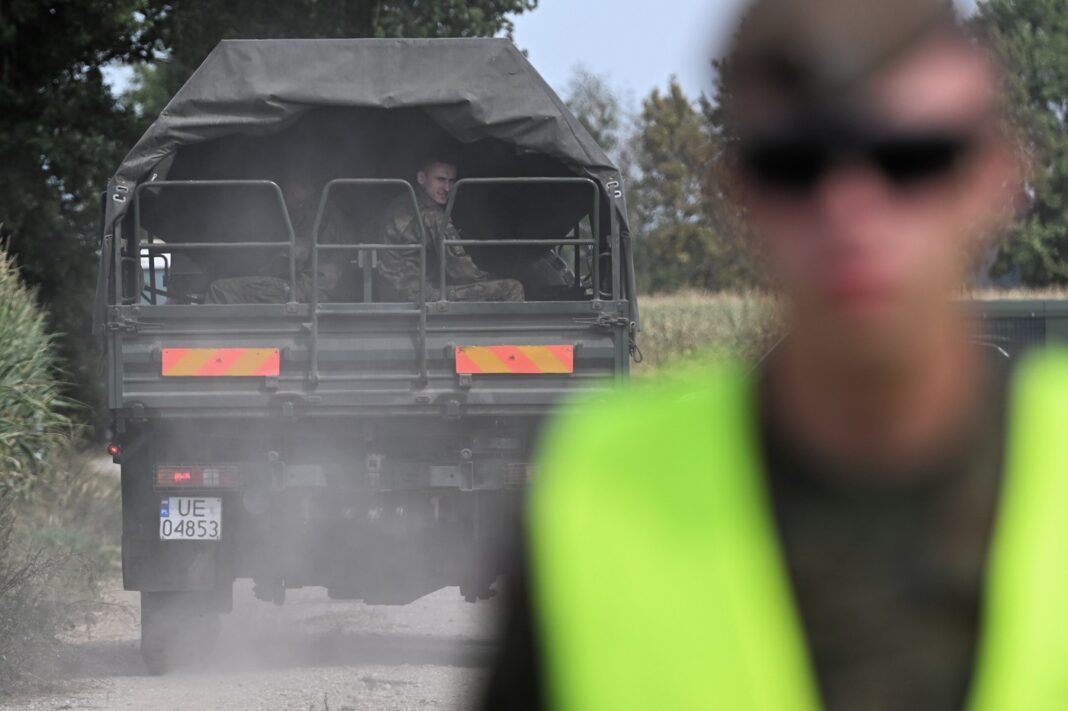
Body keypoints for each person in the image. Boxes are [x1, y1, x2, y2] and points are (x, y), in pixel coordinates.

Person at [482, 1, 1066, 710]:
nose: (850, 212)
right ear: (739, 195)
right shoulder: (601, 494)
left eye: (910, 161)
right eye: (795, 167)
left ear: (996, 179)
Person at [378, 155, 525, 302]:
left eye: (451, 181)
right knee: (512, 288)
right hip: (421, 295)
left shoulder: (400, 203)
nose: (447, 188)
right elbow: (462, 271)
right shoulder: (433, 215)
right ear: (421, 178)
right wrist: (492, 278)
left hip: (391, 291)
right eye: (441, 180)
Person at [205, 170, 351, 304]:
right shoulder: (334, 214)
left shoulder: (312, 212)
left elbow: (296, 255)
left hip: (303, 289)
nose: (286, 195)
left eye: (288, 188)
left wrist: (262, 271)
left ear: (300, 188)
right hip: (326, 288)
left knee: (219, 289)